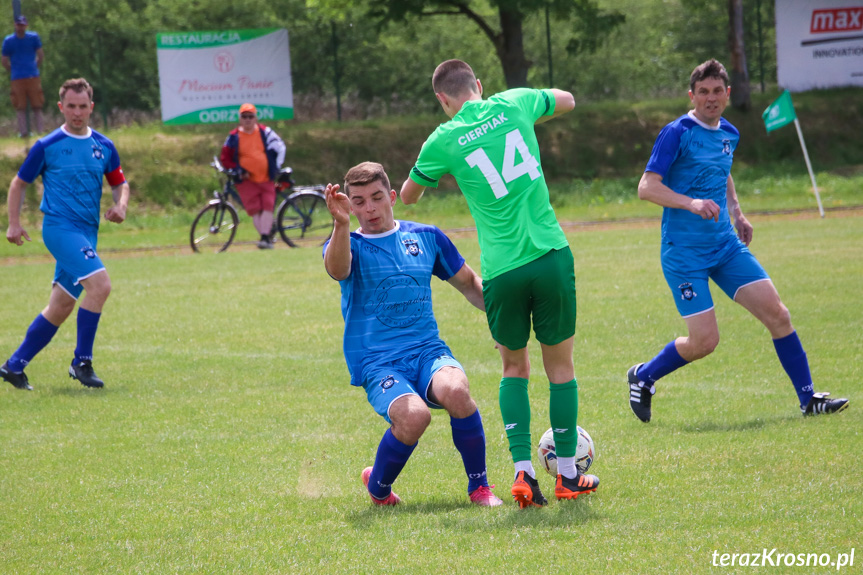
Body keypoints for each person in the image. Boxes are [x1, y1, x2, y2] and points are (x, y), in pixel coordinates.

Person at [400, 59, 599, 508]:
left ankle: (524, 475)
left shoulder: (444, 138)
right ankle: (568, 475)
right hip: (550, 254)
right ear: (479, 86)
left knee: (514, 368)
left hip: (502, 271)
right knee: (560, 369)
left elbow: (409, 195)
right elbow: (567, 100)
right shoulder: (515, 102)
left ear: (442, 100)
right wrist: (530, 111)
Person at [627, 59, 849, 421]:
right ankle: (644, 375)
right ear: (692, 95)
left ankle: (809, 400)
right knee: (705, 342)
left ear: (728, 94)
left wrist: (737, 210)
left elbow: (722, 170)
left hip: (725, 245)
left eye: (717, 92)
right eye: (703, 92)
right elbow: (646, 187)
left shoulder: (729, 133)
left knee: (778, 314)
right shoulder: (676, 131)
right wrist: (692, 203)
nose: (710, 99)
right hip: (684, 253)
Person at [324, 161, 503, 507]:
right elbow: (337, 269)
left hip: (426, 352)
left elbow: (469, 284)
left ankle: (480, 489)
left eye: (376, 197)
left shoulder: (426, 237)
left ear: (392, 197)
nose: (369, 208)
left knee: (456, 390)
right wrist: (341, 224)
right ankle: (378, 487)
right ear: (348, 205)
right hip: (379, 363)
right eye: (358, 201)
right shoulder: (348, 243)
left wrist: (504, 319)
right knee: (414, 416)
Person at [1, 78, 130, 391]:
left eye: (82, 106)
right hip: (60, 229)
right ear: (61, 107)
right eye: (70, 106)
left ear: (91, 107)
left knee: (60, 306)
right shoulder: (47, 146)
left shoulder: (104, 145)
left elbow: (119, 183)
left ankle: (14, 366)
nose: (77, 112)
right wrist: (13, 223)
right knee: (100, 286)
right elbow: (18, 184)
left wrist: (121, 205)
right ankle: (81, 362)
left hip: (87, 233)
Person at [220, 103, 286, 249]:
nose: (248, 120)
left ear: (256, 118)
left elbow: (280, 147)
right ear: (240, 119)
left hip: (266, 177)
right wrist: (237, 170)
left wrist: (276, 166)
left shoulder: (265, 132)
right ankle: (265, 238)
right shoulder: (233, 136)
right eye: (244, 117)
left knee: (268, 206)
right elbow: (225, 158)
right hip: (246, 180)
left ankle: (265, 237)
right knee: (255, 209)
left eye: (250, 116)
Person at [2, 15, 45, 137]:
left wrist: (33, 67)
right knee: (20, 107)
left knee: (37, 105)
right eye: (18, 25)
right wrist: (14, 69)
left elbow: (40, 55)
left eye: (22, 25)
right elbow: (4, 60)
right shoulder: (9, 41)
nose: (20, 27)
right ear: (15, 25)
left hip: (32, 76)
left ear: (26, 25)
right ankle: (24, 132)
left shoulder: (33, 37)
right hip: (17, 77)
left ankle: (40, 131)